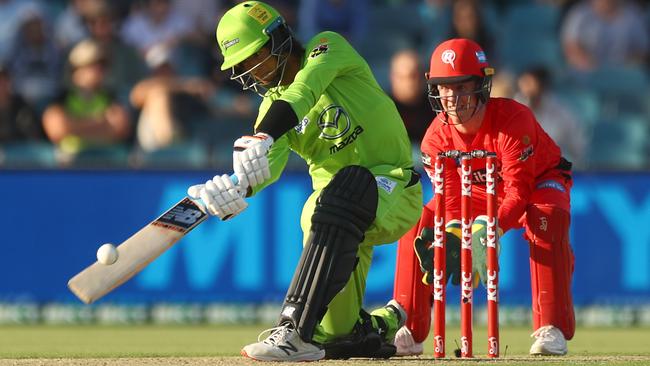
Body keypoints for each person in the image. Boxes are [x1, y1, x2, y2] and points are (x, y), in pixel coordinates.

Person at [186, 1, 422, 362]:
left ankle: (294, 331)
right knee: (337, 334)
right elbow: (262, 168)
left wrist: (263, 136)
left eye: (254, 57)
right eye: (243, 67)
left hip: (394, 187)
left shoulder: (327, 48)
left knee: (342, 189)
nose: (253, 72)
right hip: (335, 219)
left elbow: (304, 92)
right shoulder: (271, 111)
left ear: (278, 39)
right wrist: (233, 190)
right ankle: (390, 322)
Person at [392, 38, 575, 356]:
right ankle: (410, 327)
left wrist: (488, 232)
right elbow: (448, 200)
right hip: (476, 192)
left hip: (539, 182)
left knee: (546, 215)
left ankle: (551, 327)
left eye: (462, 86)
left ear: (482, 86)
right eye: (444, 87)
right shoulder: (435, 138)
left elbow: (518, 191)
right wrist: (451, 233)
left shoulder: (513, 120)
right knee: (418, 221)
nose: (452, 97)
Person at [514, 66, 586, 168]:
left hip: (553, 169)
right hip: (519, 168)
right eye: (524, 84)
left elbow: (577, 145)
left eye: (530, 84)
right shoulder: (513, 108)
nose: (527, 90)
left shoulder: (562, 111)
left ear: (543, 86)